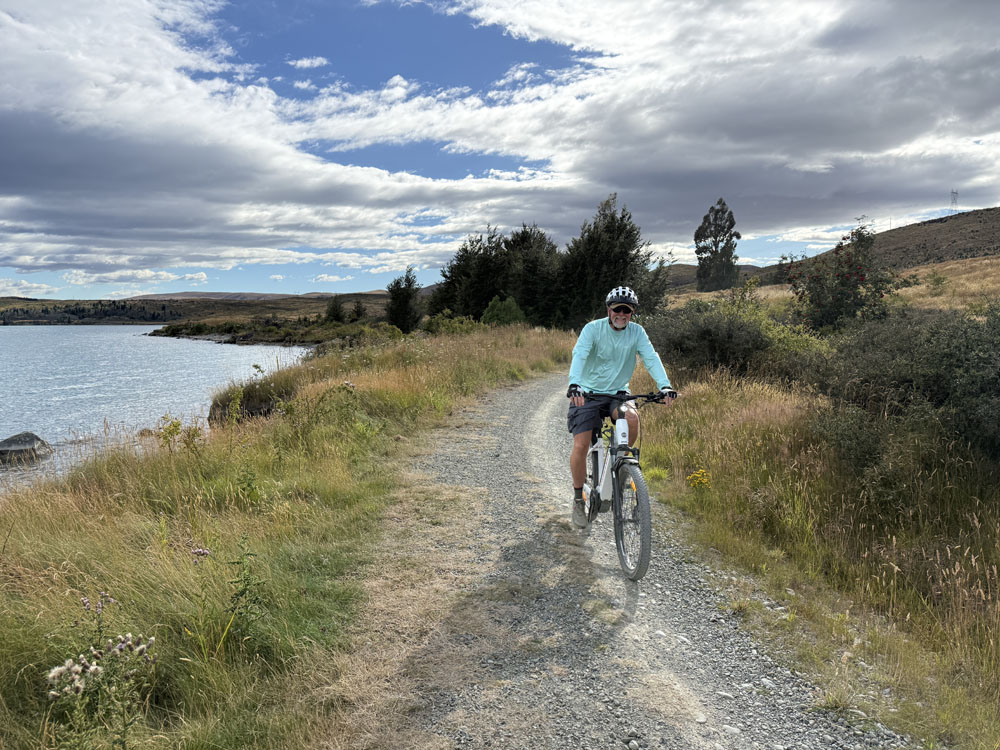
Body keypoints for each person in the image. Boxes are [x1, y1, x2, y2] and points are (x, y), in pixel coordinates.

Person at [566, 286, 676, 528]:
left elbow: (651, 357)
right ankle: (577, 499)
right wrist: (575, 383)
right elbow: (580, 354)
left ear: (632, 312)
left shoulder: (637, 333)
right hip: (588, 393)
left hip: (618, 392)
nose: (622, 314)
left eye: (627, 310)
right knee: (582, 444)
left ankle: (622, 467)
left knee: (632, 418)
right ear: (609, 310)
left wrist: (665, 386)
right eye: (617, 309)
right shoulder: (593, 329)